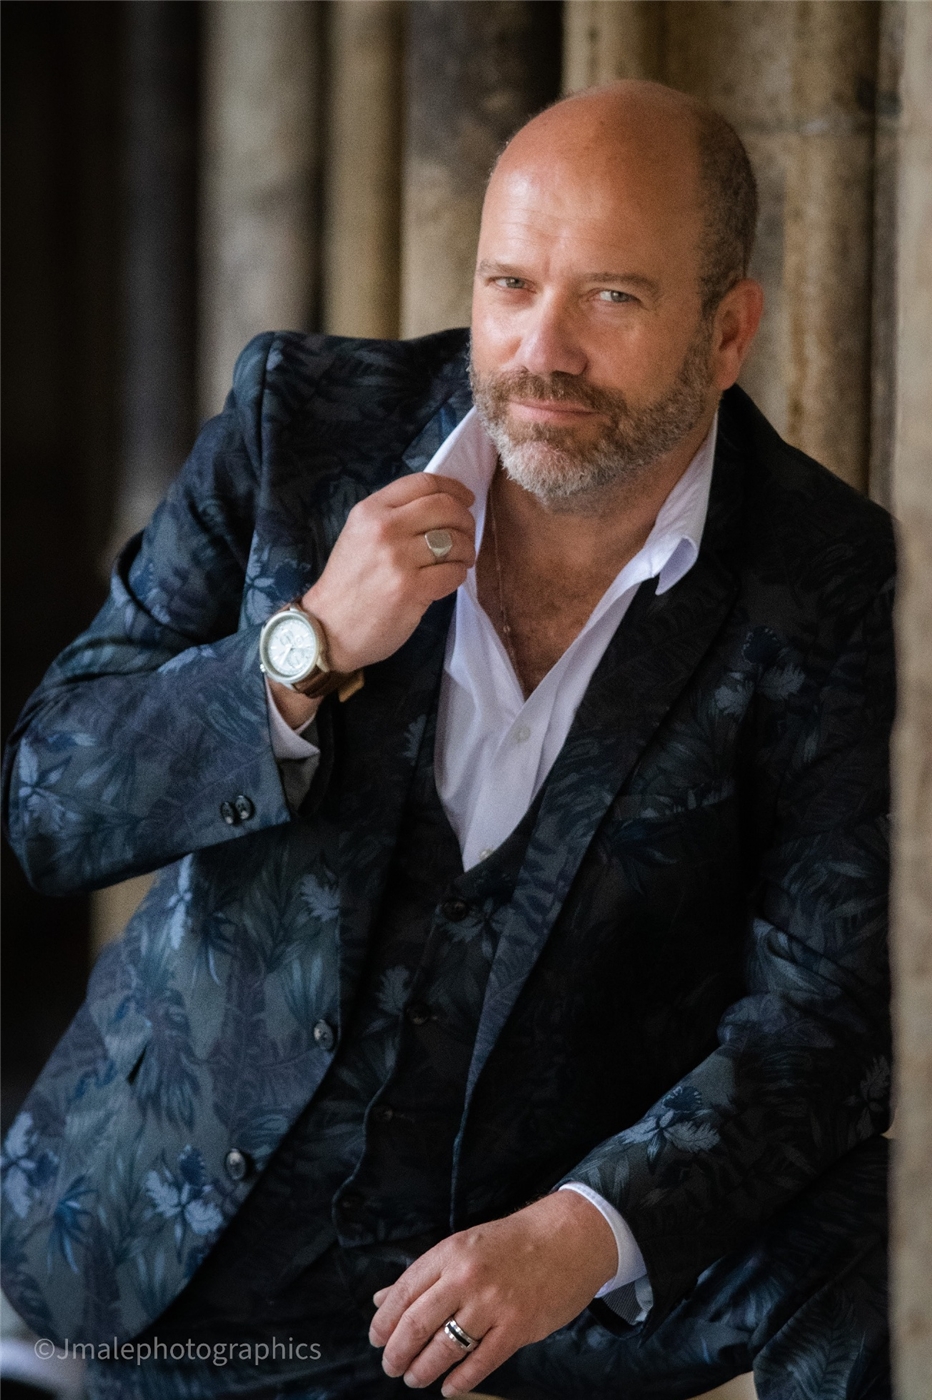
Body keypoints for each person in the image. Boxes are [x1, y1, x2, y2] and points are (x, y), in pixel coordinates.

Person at [1, 80, 893, 1400]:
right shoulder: (301, 426)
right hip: (172, 1279)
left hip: (518, 1320)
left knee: (886, 1217)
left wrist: (581, 1233)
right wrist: (302, 647)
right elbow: (47, 800)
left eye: (613, 297)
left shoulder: (832, 582)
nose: (544, 349)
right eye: (511, 284)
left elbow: (827, 1012)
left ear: (727, 333)